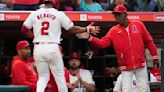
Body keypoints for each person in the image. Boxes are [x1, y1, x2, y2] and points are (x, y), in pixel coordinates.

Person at [76, 5, 158, 92]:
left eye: (119, 14)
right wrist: (90, 37)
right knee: (126, 90)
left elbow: (149, 41)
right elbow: (102, 43)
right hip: (125, 65)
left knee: (144, 89)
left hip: (140, 62)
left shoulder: (138, 24)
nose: (117, 17)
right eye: (115, 15)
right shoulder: (113, 31)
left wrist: (155, 56)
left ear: (125, 14)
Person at [21, 0, 99, 92]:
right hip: (52, 47)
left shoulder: (34, 13)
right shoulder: (58, 14)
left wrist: (35, 36)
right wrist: (86, 29)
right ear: (55, 3)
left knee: (42, 78)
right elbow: (71, 29)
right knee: (60, 77)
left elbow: (24, 29)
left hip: (38, 47)